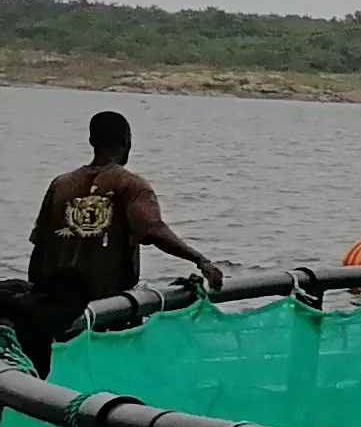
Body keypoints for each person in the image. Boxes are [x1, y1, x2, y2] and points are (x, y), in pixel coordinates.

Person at [11, 110, 223, 370]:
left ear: (92, 140)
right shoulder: (131, 185)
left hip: (57, 315)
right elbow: (154, 230)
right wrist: (200, 260)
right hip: (108, 313)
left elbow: (40, 250)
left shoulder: (61, 185)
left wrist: (37, 302)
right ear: (126, 142)